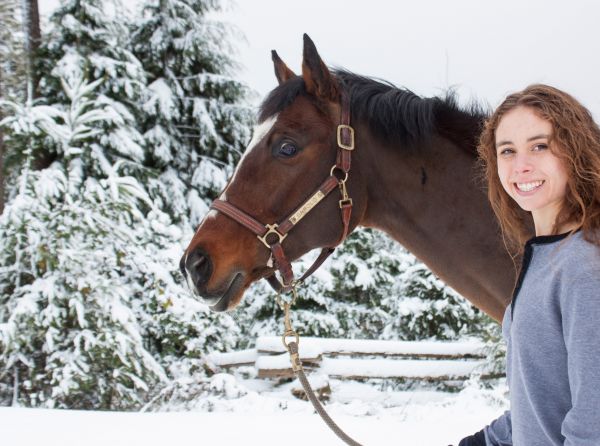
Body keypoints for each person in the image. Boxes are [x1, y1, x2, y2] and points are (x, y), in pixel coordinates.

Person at [458, 84, 600, 446]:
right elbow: (541, 401)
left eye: (540, 146)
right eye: (507, 151)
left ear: (575, 150)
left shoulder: (586, 267)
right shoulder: (549, 256)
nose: (521, 165)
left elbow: (594, 423)